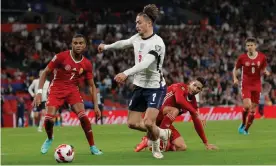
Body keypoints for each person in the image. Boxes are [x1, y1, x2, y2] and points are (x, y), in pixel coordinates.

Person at [98, 4, 170, 159]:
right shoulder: (137, 38)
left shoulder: (157, 43)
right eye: (136, 22)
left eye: (139, 22)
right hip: (140, 86)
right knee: (132, 123)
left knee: (149, 122)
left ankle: (156, 147)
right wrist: (106, 47)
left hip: (155, 87)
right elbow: (123, 43)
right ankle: (163, 132)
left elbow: (145, 64)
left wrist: (126, 73)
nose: (136, 25)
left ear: (149, 24)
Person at [34, 34, 103, 155]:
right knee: (49, 119)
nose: (78, 45)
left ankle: (93, 147)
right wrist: (39, 93)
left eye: (81, 43)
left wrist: (96, 106)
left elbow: (92, 85)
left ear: (85, 46)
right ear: (71, 44)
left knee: (83, 117)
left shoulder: (87, 64)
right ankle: (50, 138)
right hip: (57, 89)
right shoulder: (61, 57)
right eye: (75, 43)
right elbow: (45, 72)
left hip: (72, 90)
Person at [134, 77, 218, 152]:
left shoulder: (193, 103)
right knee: (175, 110)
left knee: (182, 147)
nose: (195, 88)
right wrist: (196, 112)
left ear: (200, 91)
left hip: (164, 122)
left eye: (198, 88)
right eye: (194, 85)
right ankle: (157, 140)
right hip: (153, 113)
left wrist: (206, 142)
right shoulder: (179, 87)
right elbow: (179, 100)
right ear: (190, 83)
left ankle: (153, 143)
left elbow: (197, 123)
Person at [233, 37, 270, 135]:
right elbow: (235, 69)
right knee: (247, 106)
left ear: (255, 46)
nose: (249, 47)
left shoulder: (262, 57)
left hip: (257, 84)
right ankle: (243, 123)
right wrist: (235, 78)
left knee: (253, 110)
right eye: (248, 45)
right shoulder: (242, 58)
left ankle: (246, 129)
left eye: (251, 45)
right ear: (246, 46)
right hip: (246, 84)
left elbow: (263, 67)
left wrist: (265, 71)